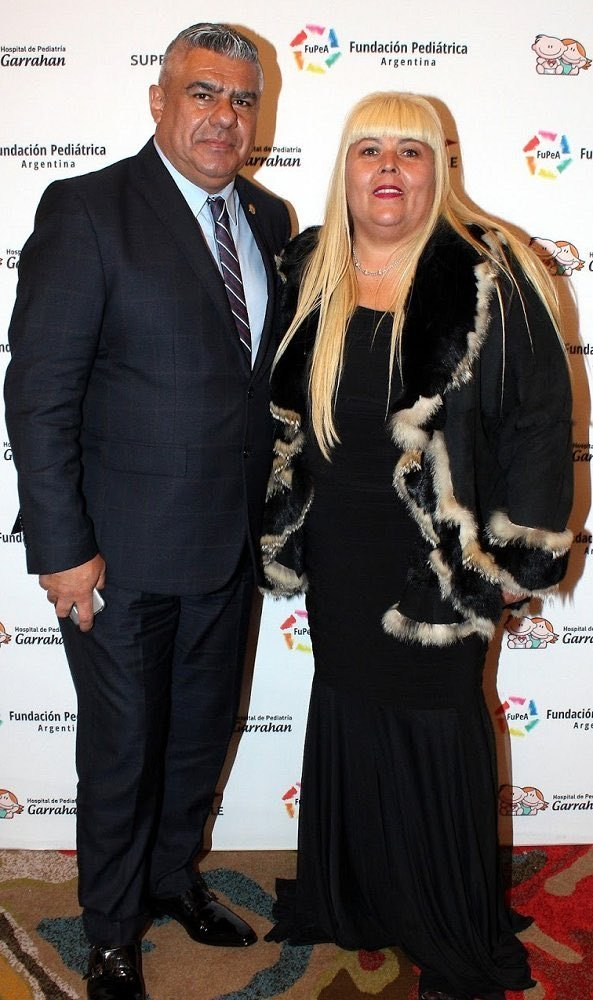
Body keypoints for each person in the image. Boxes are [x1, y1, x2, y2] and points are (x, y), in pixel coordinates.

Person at [261, 92, 573, 1000]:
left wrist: (518, 558)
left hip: (442, 554)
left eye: (410, 149)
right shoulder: (310, 264)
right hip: (338, 544)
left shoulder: (490, 271)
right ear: (345, 169)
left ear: (439, 168)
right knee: (350, 709)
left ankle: (447, 925)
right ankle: (357, 898)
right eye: (369, 150)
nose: (388, 167)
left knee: (435, 723)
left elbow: (539, 420)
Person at [4, 22, 290, 1000]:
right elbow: (39, 392)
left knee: (200, 737)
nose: (224, 116)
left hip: (229, 545)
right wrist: (62, 547)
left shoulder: (269, 216)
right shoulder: (88, 209)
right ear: (160, 100)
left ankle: (173, 881)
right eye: (203, 93)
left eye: (242, 100)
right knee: (123, 752)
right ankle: (112, 929)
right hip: (116, 556)